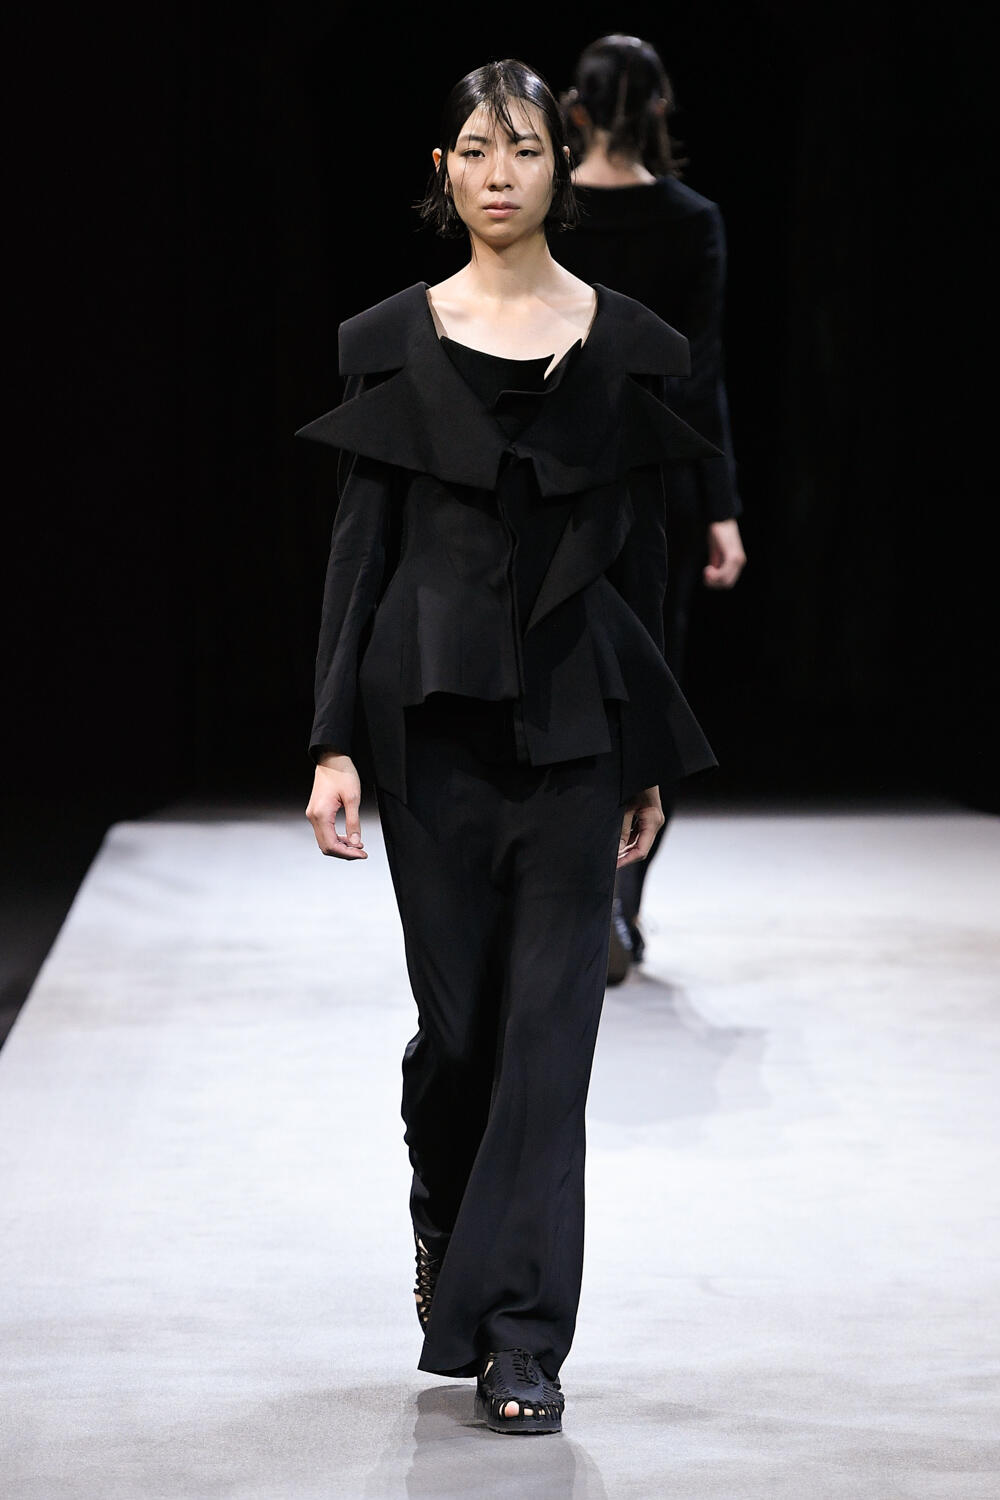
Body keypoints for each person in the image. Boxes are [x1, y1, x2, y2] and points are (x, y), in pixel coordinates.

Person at [299, 58, 719, 1435]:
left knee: (551, 1039)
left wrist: (647, 749)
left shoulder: (625, 344)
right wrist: (332, 742)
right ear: (444, 171)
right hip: (427, 728)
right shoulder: (392, 341)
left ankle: (523, 1339)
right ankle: (446, 1203)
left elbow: (643, 568)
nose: (499, 173)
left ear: (559, 164)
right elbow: (357, 556)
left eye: (524, 148)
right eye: (475, 150)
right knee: (463, 1039)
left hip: (579, 730)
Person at [557, 35, 747, 982]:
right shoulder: (692, 220)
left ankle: (568, 904)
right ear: (663, 108)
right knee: (647, 685)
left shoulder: (548, 210)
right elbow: (699, 373)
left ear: (575, 110)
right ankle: (619, 909)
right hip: (657, 483)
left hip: (549, 474)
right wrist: (721, 507)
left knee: (553, 678)